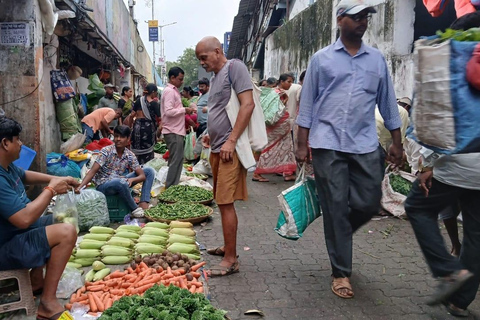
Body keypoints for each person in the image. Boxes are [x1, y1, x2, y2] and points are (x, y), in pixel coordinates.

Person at [296, 0, 403, 299]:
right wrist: (301, 145)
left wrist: (397, 141)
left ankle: (340, 233)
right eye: (356, 17)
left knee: (369, 203)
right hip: (327, 143)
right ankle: (341, 272)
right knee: (335, 207)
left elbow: (388, 102)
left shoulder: (377, 60)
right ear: (340, 19)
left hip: (365, 143)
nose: (362, 22)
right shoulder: (321, 59)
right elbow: (307, 105)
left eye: (366, 17)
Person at [0, 114, 79, 320]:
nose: (21, 144)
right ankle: (47, 303)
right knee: (66, 232)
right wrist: (51, 190)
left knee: (59, 219)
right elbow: (24, 219)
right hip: (4, 248)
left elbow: (25, 175)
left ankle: (37, 281)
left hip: (14, 236)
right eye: (18, 139)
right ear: (5, 143)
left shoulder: (6, 167)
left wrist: (60, 178)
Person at [195, 36, 255, 277]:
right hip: (218, 148)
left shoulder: (235, 67)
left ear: (218, 51)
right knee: (221, 202)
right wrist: (210, 134)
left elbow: (247, 105)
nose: (202, 63)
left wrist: (230, 140)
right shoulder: (214, 77)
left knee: (225, 203)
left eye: (204, 57)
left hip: (230, 149)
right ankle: (227, 247)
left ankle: (231, 259)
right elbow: (221, 110)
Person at [405, 151, 478, 316]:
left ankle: (449, 270)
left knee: (417, 207)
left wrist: (427, 164)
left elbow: (440, 131)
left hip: (455, 166)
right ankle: (459, 303)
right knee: (476, 234)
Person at [78, 125, 155, 218]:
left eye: (122, 137)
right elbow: (92, 171)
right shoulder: (106, 151)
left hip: (119, 181)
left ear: (128, 139)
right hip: (104, 185)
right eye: (116, 136)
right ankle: (135, 209)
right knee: (120, 182)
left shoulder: (129, 155)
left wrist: (132, 180)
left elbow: (142, 175)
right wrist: (80, 187)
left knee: (149, 171)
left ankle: (143, 203)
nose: (118, 139)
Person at [253, 73, 297, 182]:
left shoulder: (272, 92)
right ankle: (257, 173)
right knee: (271, 148)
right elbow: (278, 111)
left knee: (285, 148)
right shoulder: (280, 94)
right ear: (281, 82)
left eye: (291, 82)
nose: (290, 84)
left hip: (276, 125)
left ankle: (287, 172)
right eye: (288, 81)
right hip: (278, 126)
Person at [161, 67, 195, 188]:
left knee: (176, 159)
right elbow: (169, 111)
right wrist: (184, 110)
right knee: (176, 160)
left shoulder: (173, 91)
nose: (182, 82)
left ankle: (172, 185)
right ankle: (171, 188)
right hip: (173, 130)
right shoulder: (170, 91)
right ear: (172, 78)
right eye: (180, 79)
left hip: (175, 130)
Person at [130, 83, 161, 165]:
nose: (156, 95)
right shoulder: (154, 104)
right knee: (148, 151)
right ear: (153, 92)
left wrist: (130, 127)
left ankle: (135, 168)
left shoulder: (138, 101)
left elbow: (132, 115)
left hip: (137, 127)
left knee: (136, 149)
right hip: (148, 129)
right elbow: (160, 119)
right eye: (156, 93)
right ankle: (146, 168)